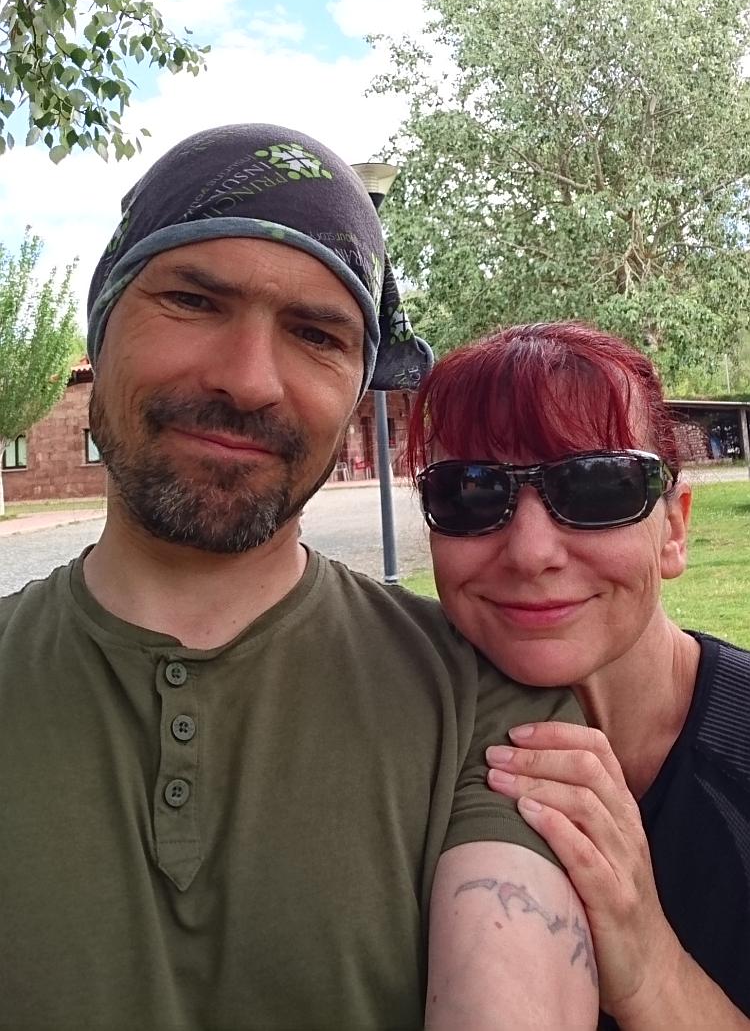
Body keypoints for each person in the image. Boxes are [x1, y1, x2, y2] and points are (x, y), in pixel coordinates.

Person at [0, 127, 598, 1031]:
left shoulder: (488, 707)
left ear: (359, 389)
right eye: (195, 300)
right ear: (103, 327)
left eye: (317, 333)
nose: (249, 381)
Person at [408, 320, 750, 1031]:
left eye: (598, 485)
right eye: (471, 491)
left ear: (674, 530)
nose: (531, 551)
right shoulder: (399, 746)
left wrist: (654, 968)